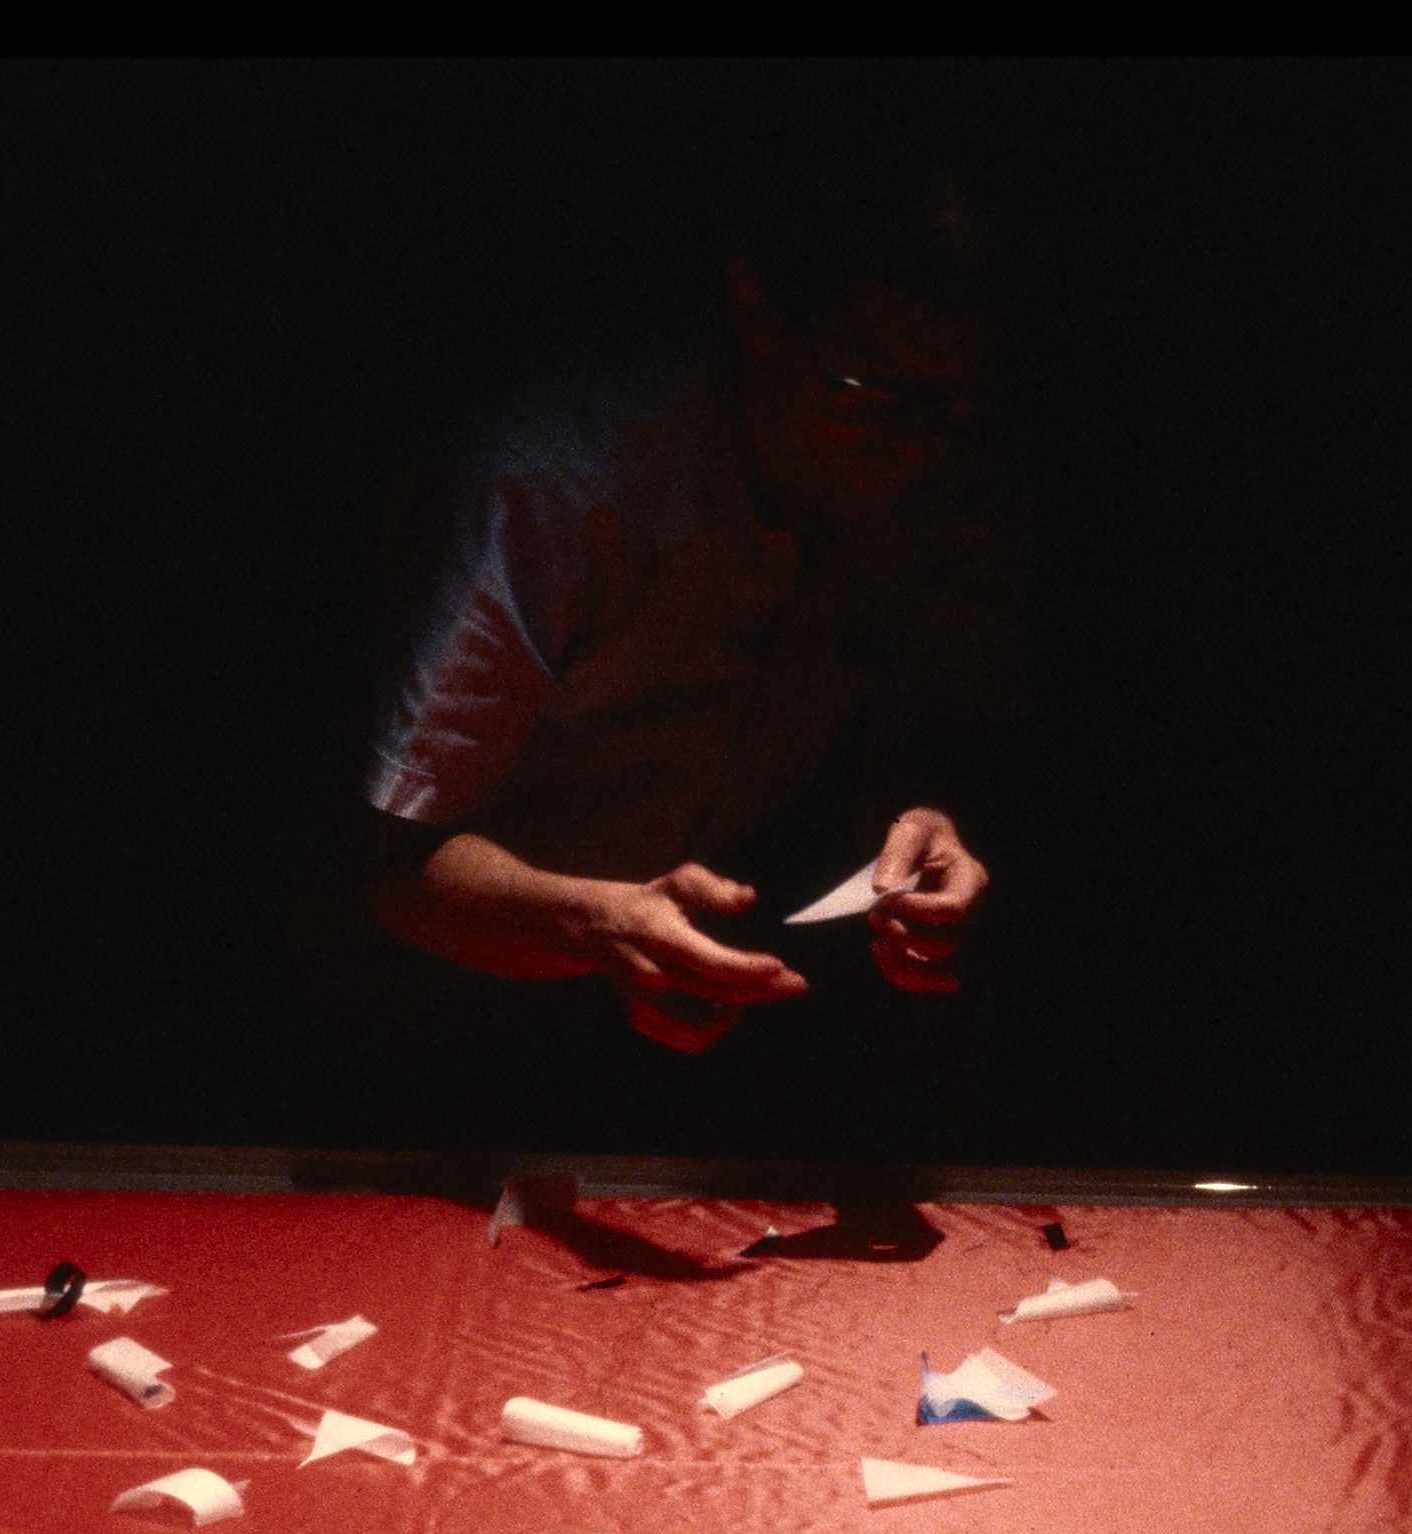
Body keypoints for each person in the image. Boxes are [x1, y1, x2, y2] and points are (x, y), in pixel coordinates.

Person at [301, 156, 1035, 1160]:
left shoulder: (949, 469)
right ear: (757, 310)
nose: (915, 444)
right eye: (870, 390)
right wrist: (597, 926)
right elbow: (397, 868)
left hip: (680, 1013)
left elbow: (947, 722)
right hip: (424, 1013)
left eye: (953, 405)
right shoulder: (553, 488)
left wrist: (933, 821)